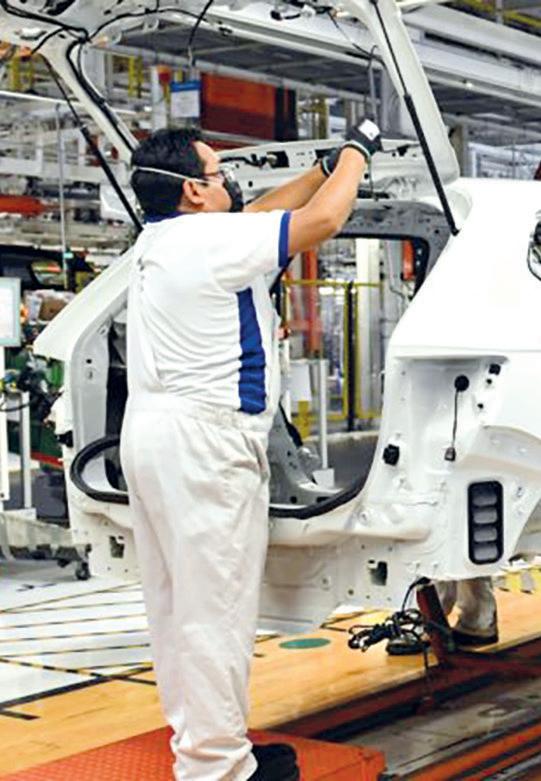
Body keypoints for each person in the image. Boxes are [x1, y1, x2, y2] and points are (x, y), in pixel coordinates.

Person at [120, 120, 382, 781]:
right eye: (217, 174)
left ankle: (205, 746)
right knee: (215, 608)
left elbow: (262, 213)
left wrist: (321, 169)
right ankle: (218, 767)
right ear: (191, 191)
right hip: (206, 443)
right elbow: (321, 221)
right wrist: (358, 153)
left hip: (152, 435)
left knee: (178, 607)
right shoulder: (208, 240)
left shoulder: (162, 240)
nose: (228, 183)